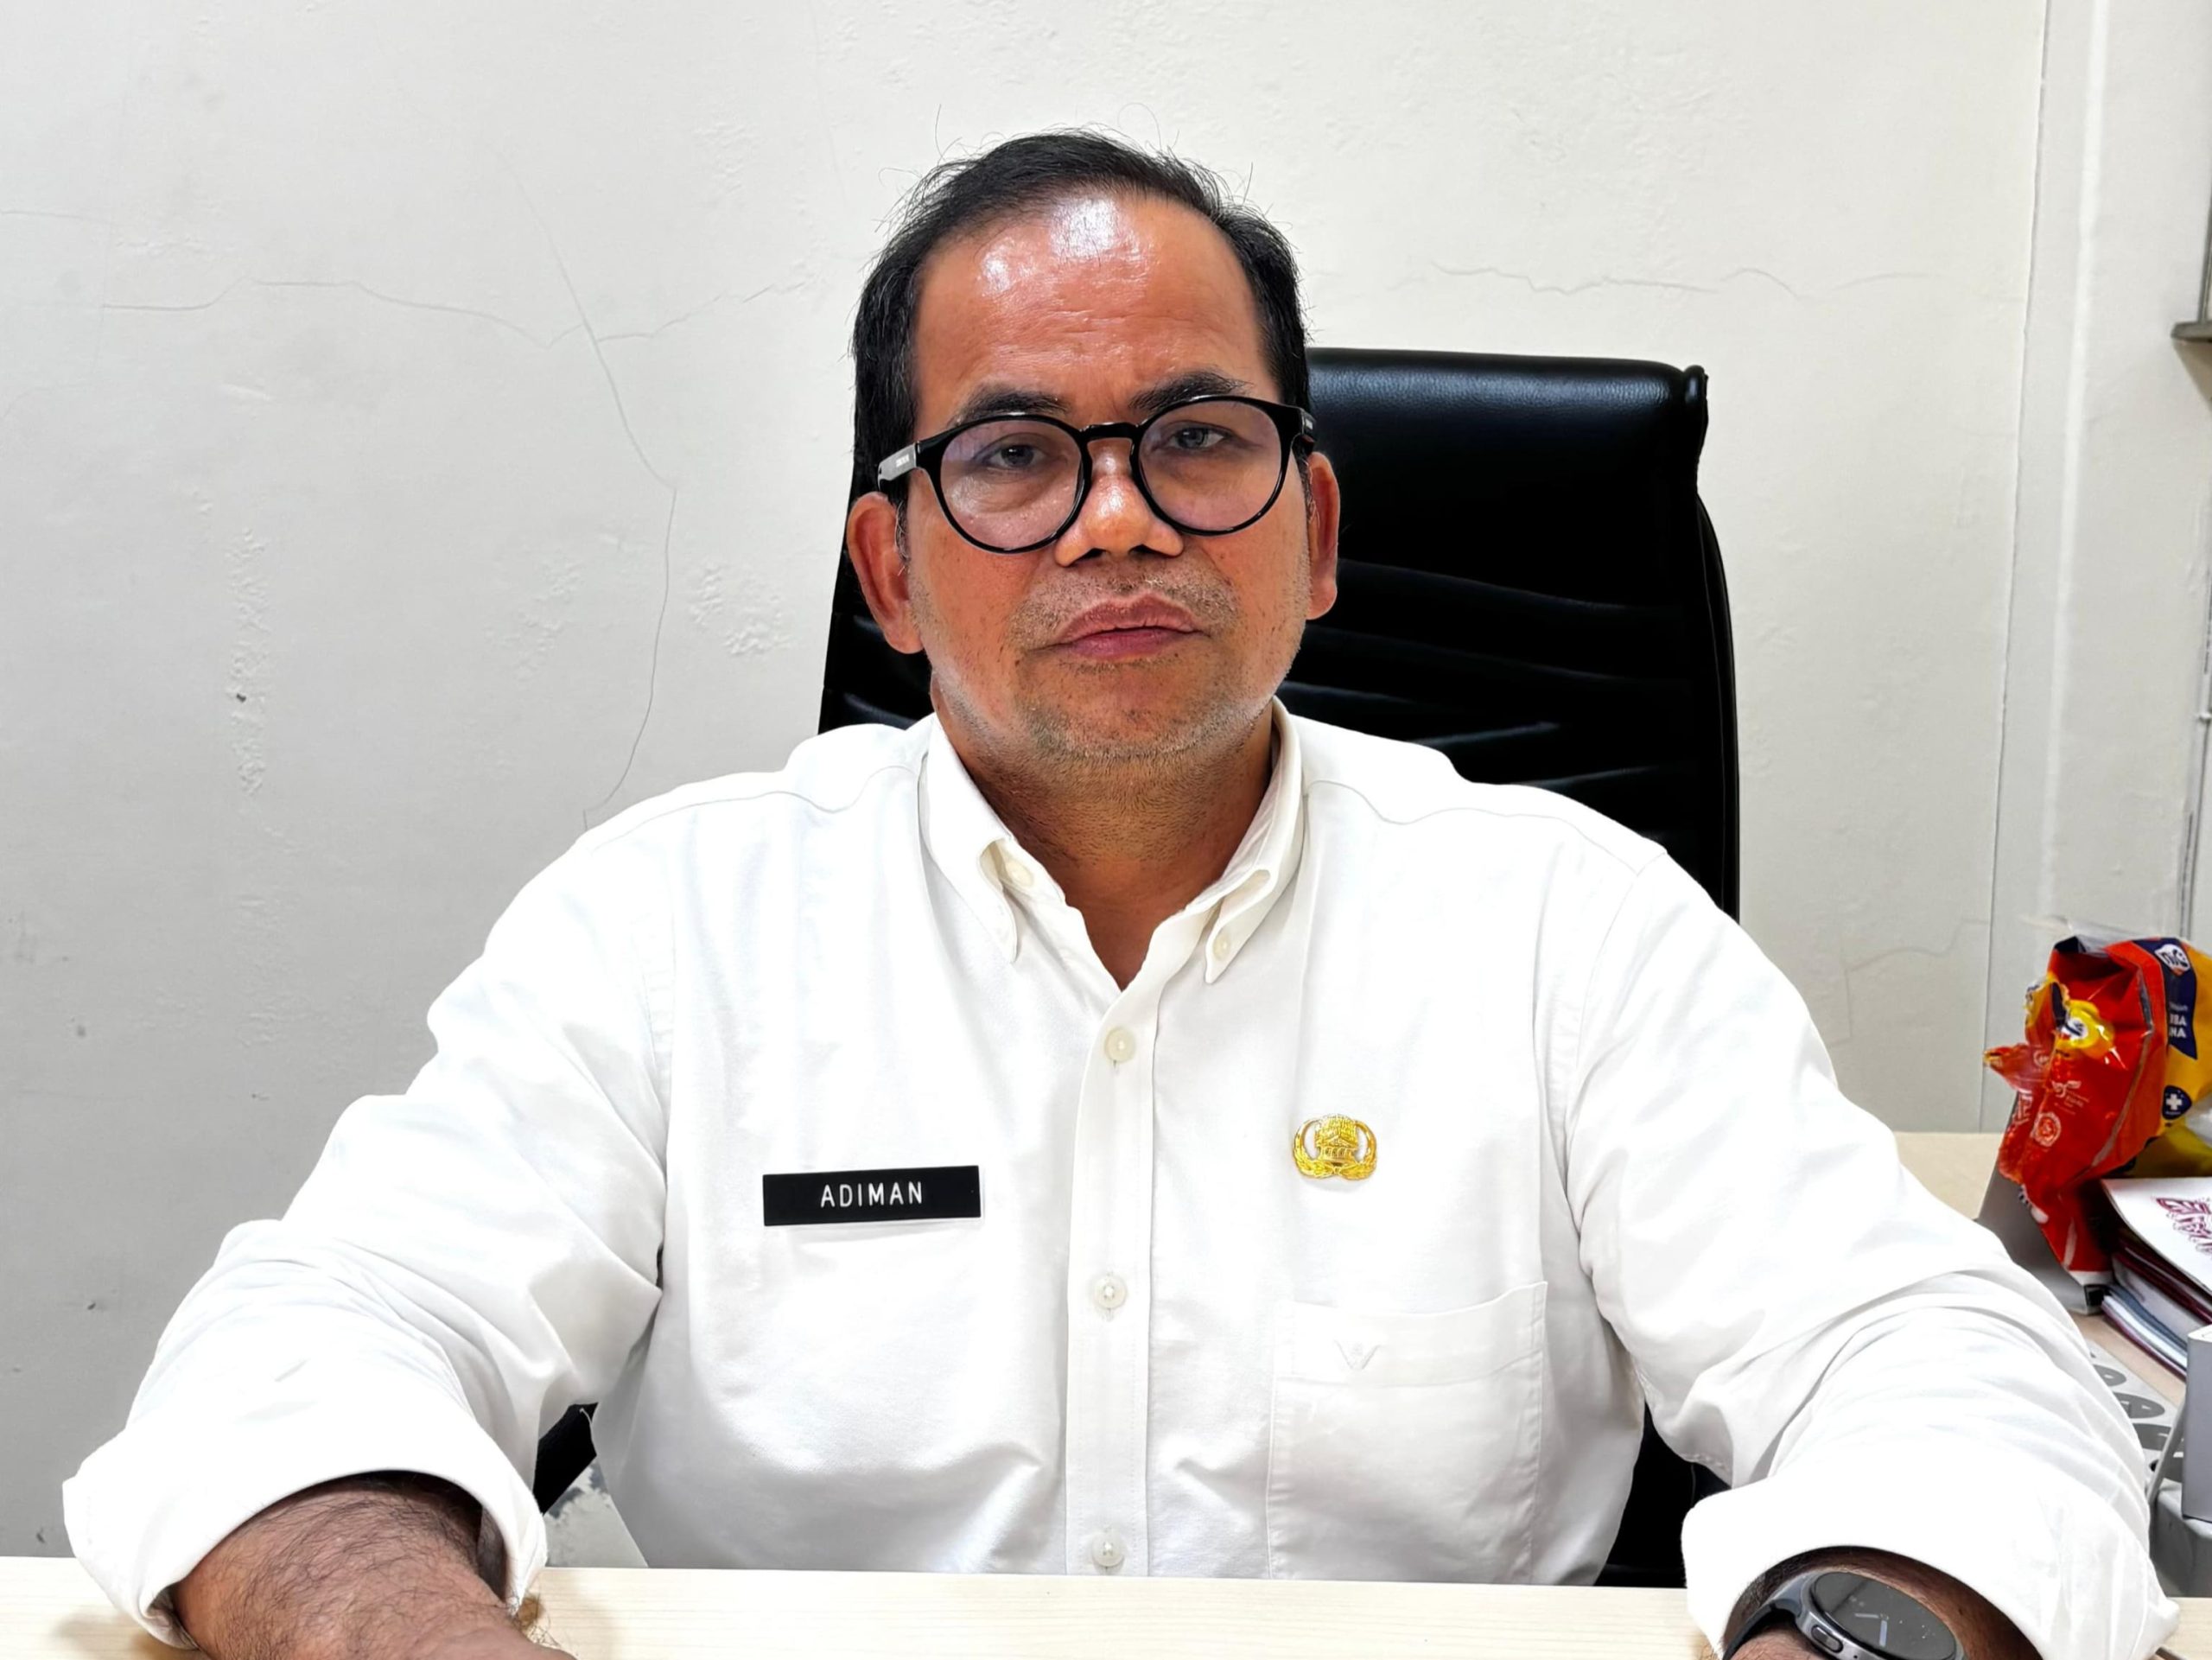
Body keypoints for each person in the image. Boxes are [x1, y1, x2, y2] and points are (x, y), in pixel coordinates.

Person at [67, 130, 2170, 1660]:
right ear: (890, 573)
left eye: (1194, 439)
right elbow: (312, 1349)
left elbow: (1940, 1368)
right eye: (1008, 456)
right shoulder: (668, 931)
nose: (1113, 523)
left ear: (1312, 532)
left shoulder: (1567, 928)